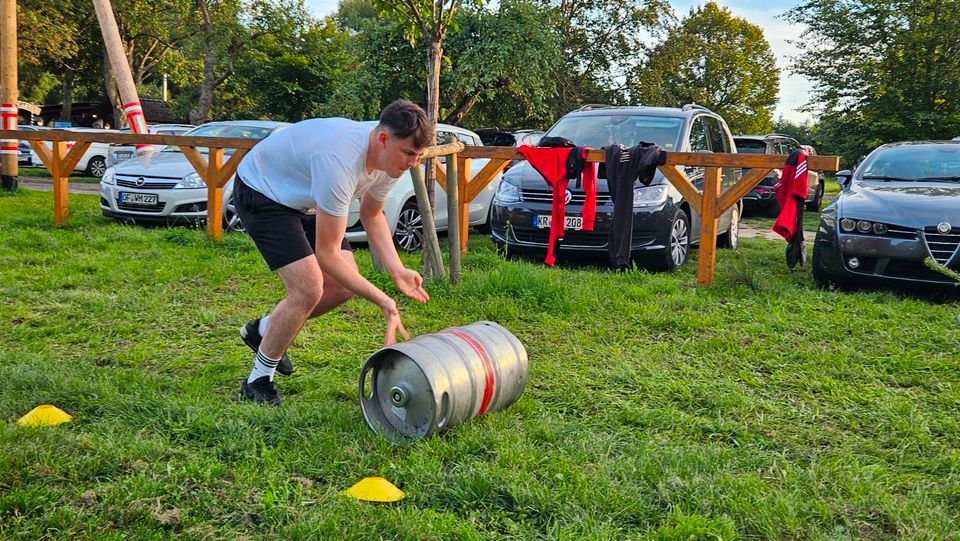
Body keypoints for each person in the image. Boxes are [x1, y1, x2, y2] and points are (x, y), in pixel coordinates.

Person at [233, 99, 432, 406]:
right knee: (308, 288)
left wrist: (397, 270)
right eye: (409, 153)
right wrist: (383, 300)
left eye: (418, 156)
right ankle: (258, 378)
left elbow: (372, 214)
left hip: (305, 197)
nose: (412, 163)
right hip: (263, 191)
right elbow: (327, 254)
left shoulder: (390, 161)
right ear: (383, 139)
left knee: (340, 287)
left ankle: (262, 330)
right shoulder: (339, 159)